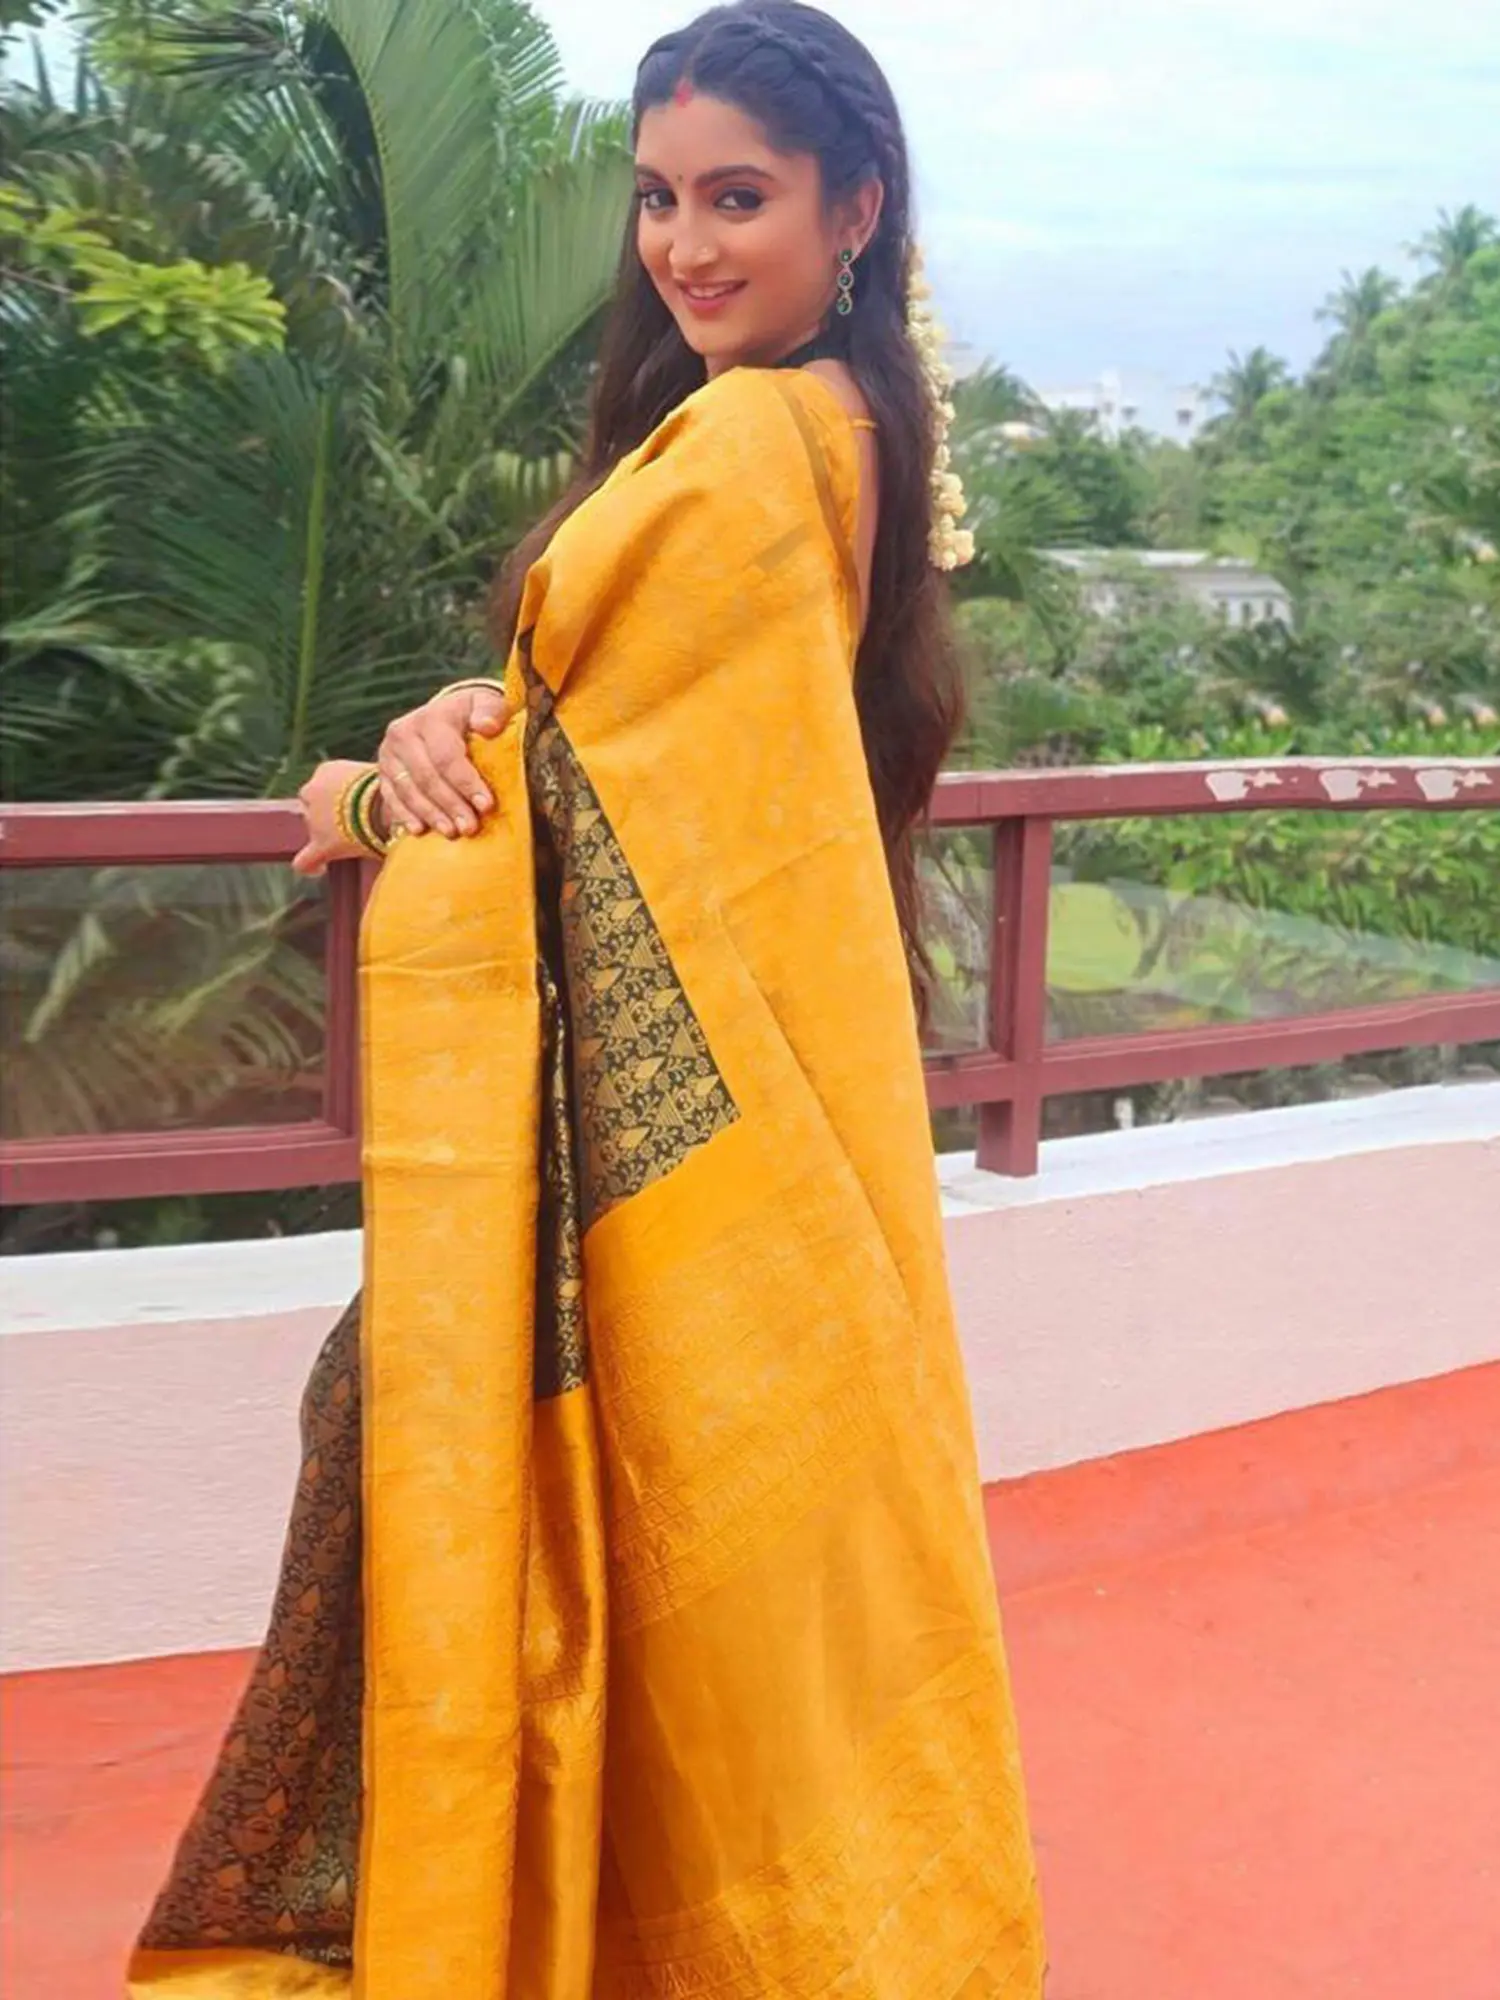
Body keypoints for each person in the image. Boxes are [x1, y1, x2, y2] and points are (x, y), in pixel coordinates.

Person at [128, 5, 1044, 1994]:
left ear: (854, 212)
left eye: (740, 198)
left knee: (464, 1472)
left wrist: (364, 795)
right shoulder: (847, 434)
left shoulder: (752, 448)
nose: (685, 246)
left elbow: (576, 812)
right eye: (657, 198)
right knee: (712, 1605)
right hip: (766, 1127)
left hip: (674, 1157)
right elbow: (617, 761)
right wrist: (483, 720)